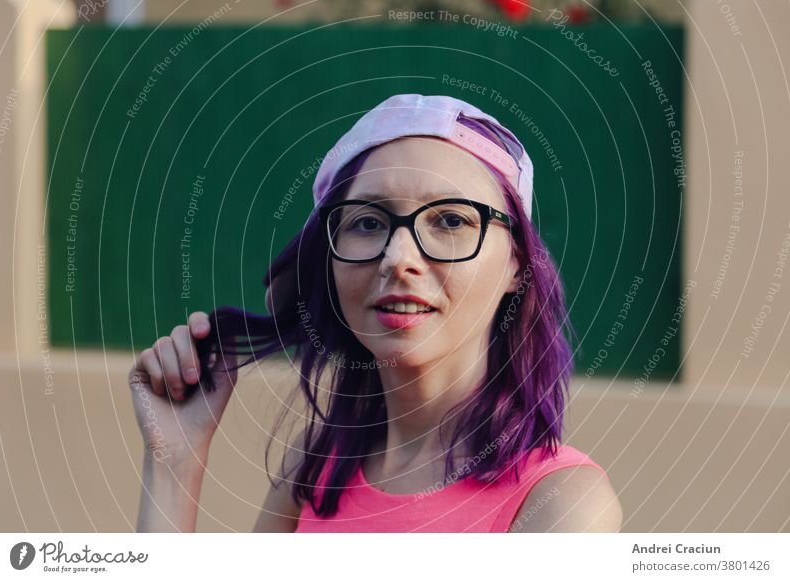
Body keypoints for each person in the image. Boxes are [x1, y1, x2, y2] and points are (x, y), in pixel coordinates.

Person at [129, 93, 623, 533]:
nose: (397, 258)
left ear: (517, 263)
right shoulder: (315, 474)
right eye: (367, 222)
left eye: (450, 220)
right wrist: (175, 460)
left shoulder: (561, 504)